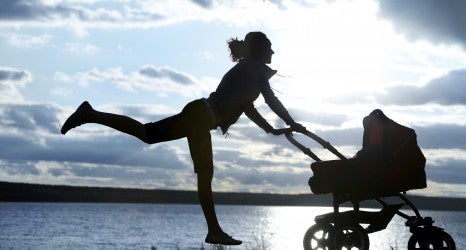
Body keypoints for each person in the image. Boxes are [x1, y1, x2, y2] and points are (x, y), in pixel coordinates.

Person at [61, 31, 306, 245]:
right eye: (270, 46)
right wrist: (290, 122)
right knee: (188, 164)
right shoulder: (253, 68)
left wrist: (272, 130)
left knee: (151, 137)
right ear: (261, 49)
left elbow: (247, 107)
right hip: (200, 118)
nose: (273, 51)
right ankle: (214, 231)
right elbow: (270, 100)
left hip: (200, 116)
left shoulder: (248, 70)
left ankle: (90, 114)